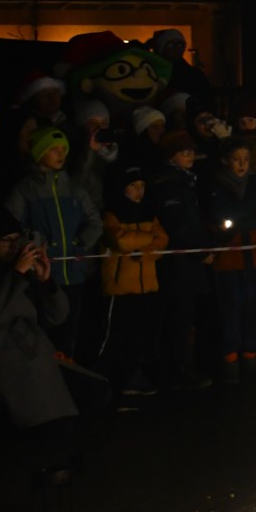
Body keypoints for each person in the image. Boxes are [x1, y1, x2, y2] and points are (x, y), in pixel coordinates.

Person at [0, 203, 106, 483]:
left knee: (96, 391)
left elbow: (57, 315)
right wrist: (15, 276)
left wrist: (46, 282)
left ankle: (58, 448)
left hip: (35, 351)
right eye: (5, 240)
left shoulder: (22, 270)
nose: (13, 246)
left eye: (17, 239)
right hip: (4, 357)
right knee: (53, 417)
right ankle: (39, 460)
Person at [5, 127, 103, 361]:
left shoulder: (75, 188)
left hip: (73, 276)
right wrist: (36, 247)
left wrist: (78, 243)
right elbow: (10, 228)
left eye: (63, 149)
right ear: (40, 153)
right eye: (53, 149)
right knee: (41, 336)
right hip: (41, 278)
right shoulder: (24, 189)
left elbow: (95, 222)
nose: (61, 154)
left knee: (69, 337)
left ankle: (66, 378)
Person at [201, 138, 256, 383]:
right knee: (230, 309)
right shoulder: (215, 183)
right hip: (230, 256)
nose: (242, 164)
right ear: (225, 161)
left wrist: (241, 218)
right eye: (237, 159)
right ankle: (230, 364)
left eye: (246, 159)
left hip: (255, 254)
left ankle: (252, 359)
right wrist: (251, 210)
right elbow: (220, 214)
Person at [98, 166, 169, 397]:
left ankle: (132, 377)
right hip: (119, 287)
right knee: (112, 335)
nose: (139, 191)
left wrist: (144, 249)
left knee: (139, 334)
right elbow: (121, 241)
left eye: (142, 186)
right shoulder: (112, 214)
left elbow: (163, 240)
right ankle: (102, 378)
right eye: (133, 185)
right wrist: (148, 239)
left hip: (145, 285)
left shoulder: (149, 212)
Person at [150, 131, 212, 388]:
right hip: (178, 264)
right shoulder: (169, 184)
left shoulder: (186, 181)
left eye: (191, 152)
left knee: (185, 316)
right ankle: (178, 370)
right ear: (171, 156)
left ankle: (183, 366)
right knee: (179, 316)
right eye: (183, 152)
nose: (190, 156)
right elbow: (178, 225)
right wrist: (201, 251)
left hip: (186, 263)